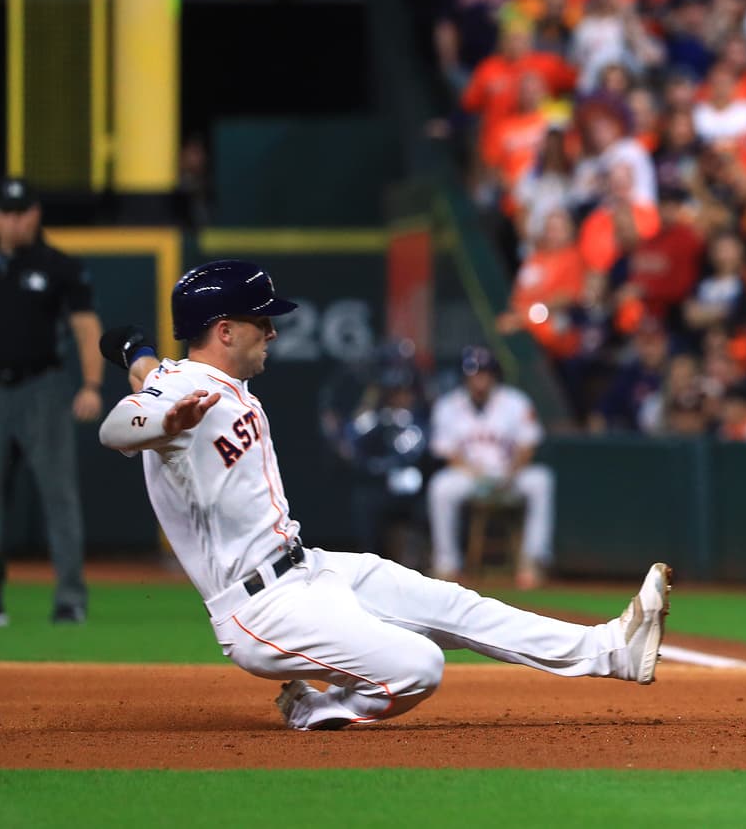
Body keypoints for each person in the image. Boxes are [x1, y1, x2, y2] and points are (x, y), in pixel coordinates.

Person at [97, 261, 670, 730]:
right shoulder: (179, 393)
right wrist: (164, 419)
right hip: (258, 608)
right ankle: (319, 707)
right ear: (224, 331)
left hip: (309, 571)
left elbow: (145, 370)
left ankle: (612, 649)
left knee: (455, 606)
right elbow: (117, 426)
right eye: (260, 321)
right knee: (420, 665)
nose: (272, 331)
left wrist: (139, 357)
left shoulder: (186, 380)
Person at [0, 177, 103, 626]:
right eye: (5, 211)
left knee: (59, 497)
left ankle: (70, 599)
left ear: (34, 214)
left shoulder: (58, 264)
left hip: (42, 388)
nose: (11, 220)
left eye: (19, 212)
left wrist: (92, 385)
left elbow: (85, 325)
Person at [427, 345, 555, 589]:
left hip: (508, 473)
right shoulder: (448, 405)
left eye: (484, 372)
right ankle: (446, 563)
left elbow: (527, 445)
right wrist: (473, 473)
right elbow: (447, 452)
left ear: (494, 374)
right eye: (474, 373)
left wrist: (512, 471)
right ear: (465, 376)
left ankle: (533, 560)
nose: (480, 378)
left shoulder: (515, 401)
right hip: (470, 475)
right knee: (440, 486)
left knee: (541, 480)